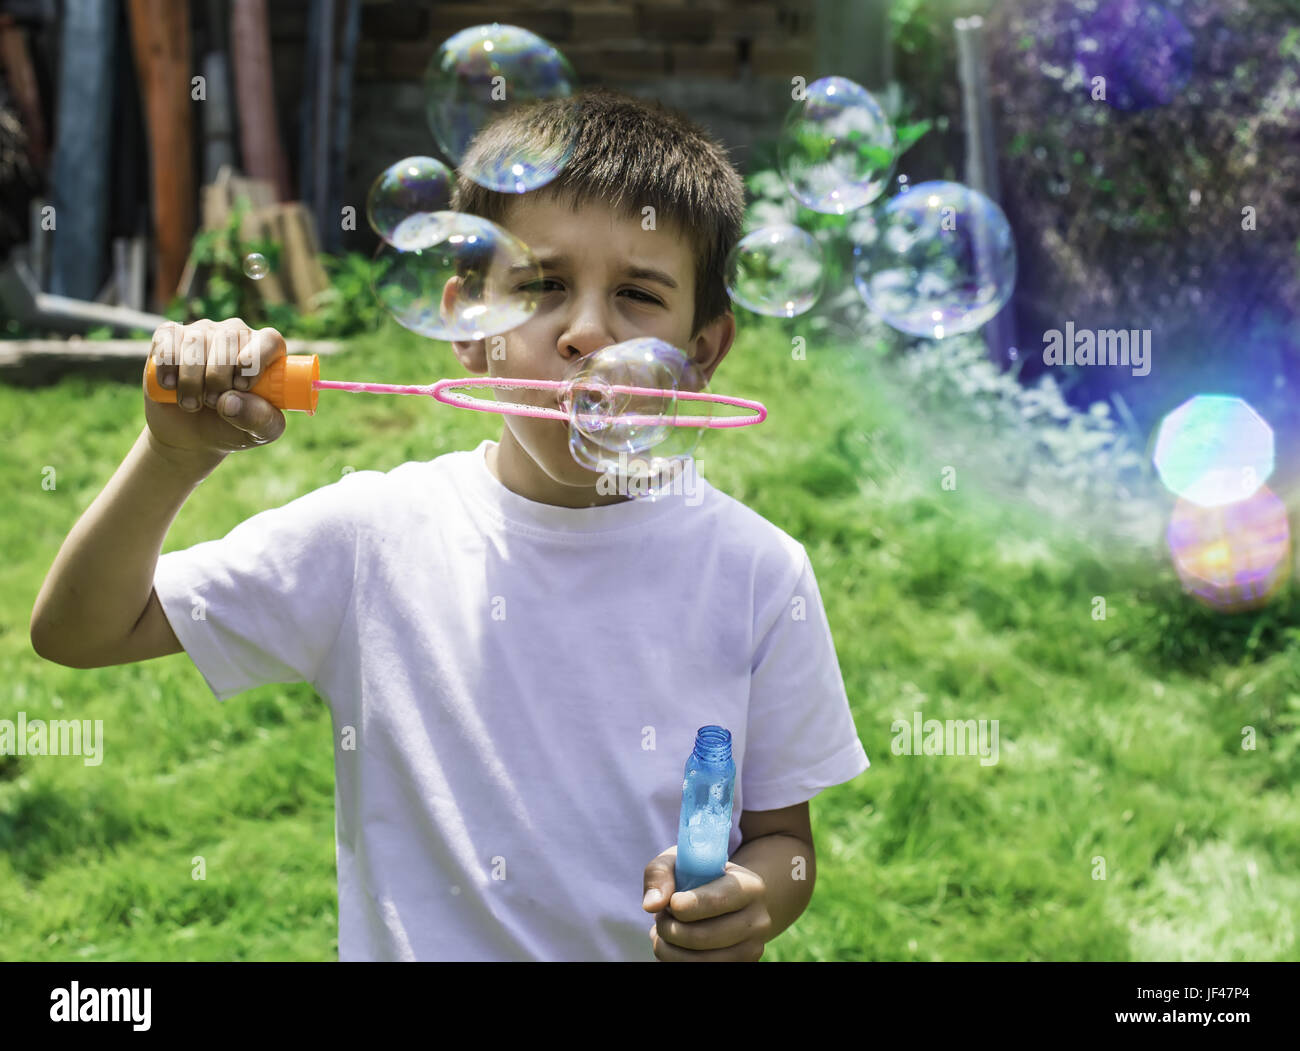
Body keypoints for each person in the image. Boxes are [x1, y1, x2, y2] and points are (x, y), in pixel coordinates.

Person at [30, 88, 869, 961]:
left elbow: (787, 844)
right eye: (543, 286)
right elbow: (81, 630)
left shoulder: (759, 572)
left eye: (638, 295)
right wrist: (171, 458)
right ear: (470, 325)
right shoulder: (372, 539)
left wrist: (754, 898)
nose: (586, 333)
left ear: (702, 355)